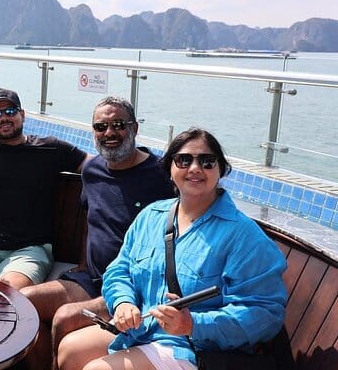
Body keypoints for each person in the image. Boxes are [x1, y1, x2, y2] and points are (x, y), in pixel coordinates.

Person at [57, 128, 287, 370]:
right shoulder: (152, 216)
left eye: (207, 161)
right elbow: (120, 269)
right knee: (70, 350)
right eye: (184, 160)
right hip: (145, 330)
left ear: (221, 169)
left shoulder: (244, 235)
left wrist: (193, 324)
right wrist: (124, 302)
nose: (195, 168)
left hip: (197, 348)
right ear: (170, 168)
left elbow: (264, 312)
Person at [21, 96, 174, 369]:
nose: (109, 133)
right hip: (90, 280)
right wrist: (82, 261)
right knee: (23, 303)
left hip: (132, 287)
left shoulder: (161, 175)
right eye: (101, 127)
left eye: (118, 125)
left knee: (65, 317)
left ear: (135, 128)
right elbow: (91, 219)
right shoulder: (92, 170)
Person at [0, 88, 88, 290]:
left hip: (29, 249)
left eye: (10, 111)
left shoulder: (50, 149)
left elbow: (93, 164)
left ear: (22, 114)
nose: (4, 118)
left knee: (10, 294)